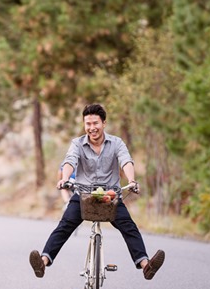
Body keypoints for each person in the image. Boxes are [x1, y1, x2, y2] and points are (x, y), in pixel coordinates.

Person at [29, 103, 165, 280]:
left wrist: (131, 181)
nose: (92, 128)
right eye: (88, 124)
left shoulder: (116, 143)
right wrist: (64, 178)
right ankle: (43, 262)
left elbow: (126, 161)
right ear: (84, 125)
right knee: (64, 226)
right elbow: (70, 161)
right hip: (84, 195)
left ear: (104, 123)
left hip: (111, 196)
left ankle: (146, 266)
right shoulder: (77, 144)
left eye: (95, 123)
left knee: (129, 227)